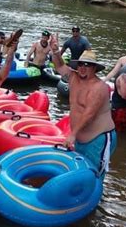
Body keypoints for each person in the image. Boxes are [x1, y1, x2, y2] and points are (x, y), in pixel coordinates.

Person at [50, 38, 116, 181]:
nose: (83, 68)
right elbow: (59, 66)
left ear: (94, 68)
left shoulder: (99, 87)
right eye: (80, 64)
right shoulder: (73, 77)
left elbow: (89, 114)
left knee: (94, 175)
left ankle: (97, 202)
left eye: (88, 65)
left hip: (99, 138)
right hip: (80, 138)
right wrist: (55, 51)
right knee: (80, 172)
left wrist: (72, 134)